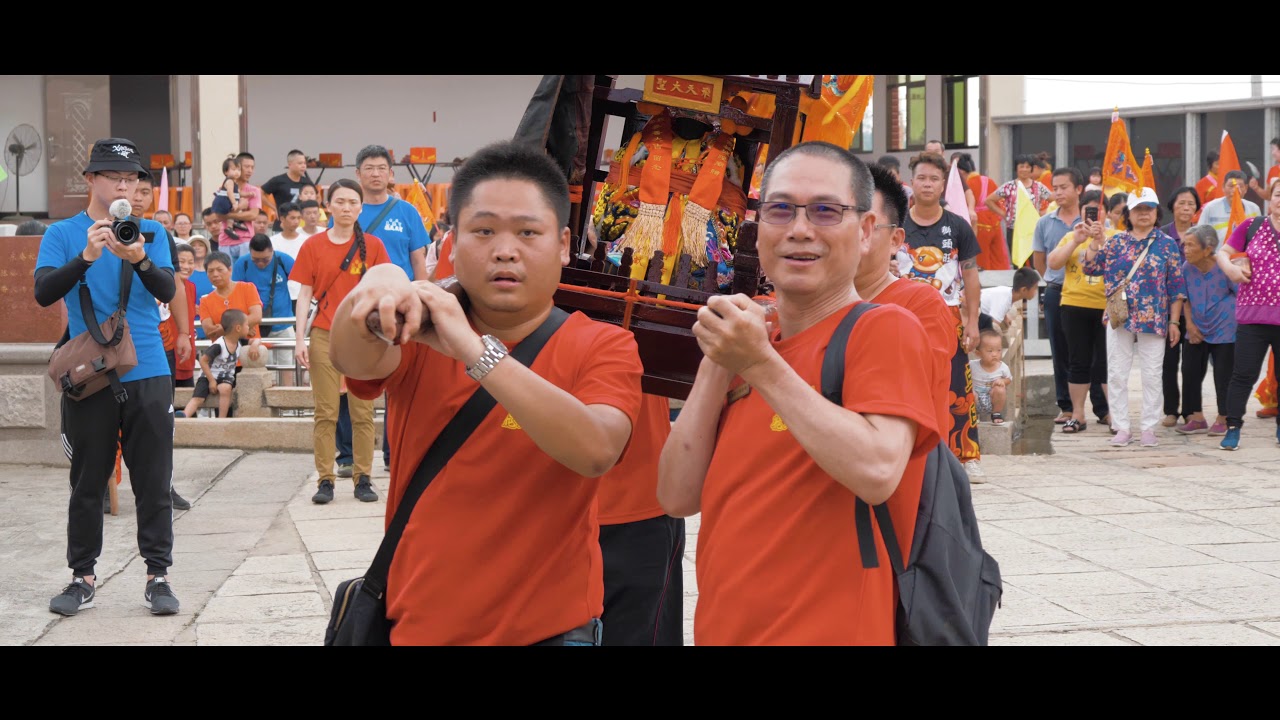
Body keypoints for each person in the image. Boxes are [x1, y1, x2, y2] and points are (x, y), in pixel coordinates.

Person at [330, 140, 643, 645]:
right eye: (483, 230)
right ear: (453, 241)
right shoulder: (421, 326)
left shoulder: (601, 344)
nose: (505, 249)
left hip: (550, 632)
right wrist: (376, 285)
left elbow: (596, 449)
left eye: (527, 232)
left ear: (563, 243)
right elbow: (354, 359)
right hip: (421, 627)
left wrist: (477, 352)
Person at [658, 141, 940, 645]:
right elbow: (676, 496)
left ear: (867, 229)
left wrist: (760, 364)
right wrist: (719, 364)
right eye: (780, 209)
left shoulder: (885, 329)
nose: (800, 229)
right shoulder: (750, 337)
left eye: (826, 211)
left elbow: (877, 471)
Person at [33, 137, 181, 617]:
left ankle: (158, 576)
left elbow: (167, 288)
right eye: (114, 177)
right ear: (90, 180)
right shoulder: (63, 233)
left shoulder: (153, 231)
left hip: (149, 370)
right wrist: (88, 257)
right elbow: (43, 292)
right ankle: (82, 577)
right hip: (91, 375)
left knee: (154, 480)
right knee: (87, 481)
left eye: (132, 178)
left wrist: (137, 256)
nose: (124, 185)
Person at [291, 179, 391, 504]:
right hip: (322, 334)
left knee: (363, 411)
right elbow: (305, 294)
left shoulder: (374, 246)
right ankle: (325, 480)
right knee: (326, 411)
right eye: (340, 202)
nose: (346, 207)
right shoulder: (312, 246)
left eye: (352, 202)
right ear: (328, 206)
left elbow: (385, 288)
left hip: (363, 337)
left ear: (361, 207)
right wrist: (299, 339)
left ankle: (363, 478)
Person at [333, 145, 432, 472]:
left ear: (391, 175)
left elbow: (419, 261)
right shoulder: (349, 213)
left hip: (400, 311)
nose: (375, 173)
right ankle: (347, 457)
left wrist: (422, 299)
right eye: (369, 168)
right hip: (356, 308)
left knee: (399, 385)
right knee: (350, 379)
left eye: (381, 168)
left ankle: (393, 455)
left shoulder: (407, 212)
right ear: (358, 174)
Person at [856, 164, 957, 464]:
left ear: (896, 240)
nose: (853, 236)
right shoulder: (809, 304)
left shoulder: (920, 305)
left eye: (868, 226)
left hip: (908, 477)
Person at [899, 152, 984, 477]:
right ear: (912, 182)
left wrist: (973, 321)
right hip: (901, 316)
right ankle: (907, 452)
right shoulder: (897, 223)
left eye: (934, 178)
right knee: (905, 382)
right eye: (922, 177)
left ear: (943, 185)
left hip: (947, 317)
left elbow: (972, 276)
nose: (928, 184)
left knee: (956, 385)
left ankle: (965, 455)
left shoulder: (958, 226)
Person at [1083, 187, 1187, 447]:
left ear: (1156, 212)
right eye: (1138, 209)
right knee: (1117, 372)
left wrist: (1174, 321)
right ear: (1128, 214)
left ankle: (1149, 427)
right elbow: (1091, 267)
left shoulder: (1167, 244)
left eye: (1149, 209)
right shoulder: (1116, 242)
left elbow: (1176, 287)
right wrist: (1095, 241)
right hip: (1120, 315)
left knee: (1152, 373)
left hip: (1155, 316)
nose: (1144, 214)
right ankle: (1121, 427)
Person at [1217, 179, 1280, 450]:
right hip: (1253, 317)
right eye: (1278, 194)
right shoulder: (1252, 226)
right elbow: (1223, 252)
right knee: (1243, 374)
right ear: (1270, 198)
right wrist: (1230, 269)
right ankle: (1233, 427)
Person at [1047, 190, 1112, 434]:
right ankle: (1078, 414)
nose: (1094, 215)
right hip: (1074, 305)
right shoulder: (1070, 236)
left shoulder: (1116, 237)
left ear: (1106, 212)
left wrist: (1101, 239)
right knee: (1078, 361)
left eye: (1098, 209)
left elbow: (1118, 264)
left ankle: (1112, 413)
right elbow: (1053, 263)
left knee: (1107, 363)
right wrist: (1077, 240)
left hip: (1107, 308)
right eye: (1089, 210)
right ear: (1081, 212)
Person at [1033, 167, 1086, 426]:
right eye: (1055, 187)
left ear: (1079, 189)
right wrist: (1052, 281)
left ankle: (1100, 405)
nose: (1058, 192)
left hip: (1088, 294)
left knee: (1092, 351)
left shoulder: (1090, 221)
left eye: (1064, 187)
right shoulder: (1045, 222)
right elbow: (1039, 259)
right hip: (1057, 292)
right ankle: (1066, 406)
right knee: (1060, 348)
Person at [1176, 224, 1236, 436]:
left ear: (1208, 248)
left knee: (1223, 374)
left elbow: (1238, 292)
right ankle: (1196, 416)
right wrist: (1190, 325)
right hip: (1197, 326)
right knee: (1190, 370)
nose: (1186, 249)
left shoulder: (1224, 266)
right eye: (1185, 245)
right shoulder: (1186, 268)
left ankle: (1224, 416)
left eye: (1191, 245)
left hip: (1225, 328)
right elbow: (1186, 299)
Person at [1158, 187, 1201, 428]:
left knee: (1194, 362)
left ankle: (1192, 409)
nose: (1186, 208)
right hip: (1169, 307)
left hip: (1197, 308)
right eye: (1182, 203)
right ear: (1172, 206)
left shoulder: (1202, 236)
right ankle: (1170, 410)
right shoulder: (1162, 236)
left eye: (1191, 204)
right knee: (1168, 361)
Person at [181, 308, 249, 419]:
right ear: (238, 328)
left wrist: (256, 345)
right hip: (208, 376)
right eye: (247, 325)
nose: (249, 328)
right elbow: (203, 360)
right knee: (198, 398)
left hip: (225, 377)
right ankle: (184, 414)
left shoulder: (240, 341)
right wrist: (211, 380)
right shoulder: (219, 344)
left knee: (226, 389)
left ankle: (221, 419)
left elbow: (254, 341)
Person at [986, 154, 1052, 256]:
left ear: (1031, 169)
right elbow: (989, 200)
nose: (1024, 169)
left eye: (1027, 167)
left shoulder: (1038, 187)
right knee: (1017, 261)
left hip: (1033, 229)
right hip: (1014, 229)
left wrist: (1042, 213)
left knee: (1035, 260)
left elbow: (1055, 201)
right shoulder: (1009, 186)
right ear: (1016, 168)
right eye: (1021, 166)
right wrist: (1004, 214)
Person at [232, 234, 295, 338]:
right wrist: (246, 324)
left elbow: (305, 283)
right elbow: (236, 296)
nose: (260, 263)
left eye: (265, 260)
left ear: (272, 251)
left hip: (283, 324)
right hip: (254, 327)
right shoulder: (242, 264)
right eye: (255, 260)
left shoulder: (283, 260)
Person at [959, 153, 1010, 270]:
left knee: (981, 258)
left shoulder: (967, 185)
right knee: (997, 256)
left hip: (978, 224)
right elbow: (1000, 201)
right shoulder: (989, 181)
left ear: (961, 172)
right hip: (994, 222)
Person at [260, 149, 316, 231]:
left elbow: (317, 197)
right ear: (290, 164)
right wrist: (274, 208)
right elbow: (260, 193)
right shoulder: (278, 180)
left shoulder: (307, 181)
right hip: (281, 226)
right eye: (300, 163)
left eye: (304, 163)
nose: (303, 166)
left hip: (301, 226)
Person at [1201, 171, 1262, 244]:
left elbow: (1259, 237)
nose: (1234, 190)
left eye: (1240, 186)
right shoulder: (1211, 208)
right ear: (1223, 186)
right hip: (1218, 254)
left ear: (1246, 188)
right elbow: (1200, 235)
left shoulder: (1254, 209)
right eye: (1231, 186)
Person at [971, 329, 1013, 425]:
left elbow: (1009, 379)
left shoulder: (1002, 367)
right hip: (975, 398)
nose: (995, 354)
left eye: (998, 350)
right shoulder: (972, 365)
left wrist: (1002, 381)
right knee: (969, 392)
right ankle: (972, 415)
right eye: (990, 351)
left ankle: (996, 413)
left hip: (992, 398)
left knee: (1000, 390)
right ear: (978, 353)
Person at [980, 266, 1039, 332]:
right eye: (1035, 288)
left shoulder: (1007, 293)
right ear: (1024, 290)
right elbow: (993, 327)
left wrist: (1005, 317)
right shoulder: (1004, 300)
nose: (1036, 291)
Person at [172, 243, 198, 390]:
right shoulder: (164, 283)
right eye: (181, 261)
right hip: (168, 348)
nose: (186, 266)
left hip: (186, 349)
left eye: (190, 262)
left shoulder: (191, 286)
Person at [210, 156, 250, 245]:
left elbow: (239, 193)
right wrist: (234, 203)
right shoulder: (230, 181)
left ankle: (231, 226)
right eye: (233, 169)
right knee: (235, 209)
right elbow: (230, 193)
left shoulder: (234, 182)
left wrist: (249, 194)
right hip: (224, 202)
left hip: (225, 201)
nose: (237, 172)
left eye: (238, 170)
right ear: (226, 172)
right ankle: (232, 225)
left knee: (233, 212)